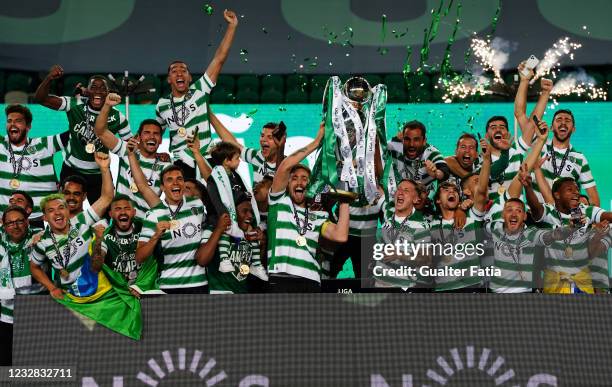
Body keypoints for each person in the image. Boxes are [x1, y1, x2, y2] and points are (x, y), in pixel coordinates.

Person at [155, 9, 238, 179]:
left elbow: (219, 58)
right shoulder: (162, 104)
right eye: (174, 71)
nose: (179, 73)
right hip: (181, 162)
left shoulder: (200, 90)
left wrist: (232, 26)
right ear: (169, 79)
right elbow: (154, 134)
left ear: (190, 77)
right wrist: (155, 155)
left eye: (183, 70)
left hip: (207, 158)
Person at [267, 123, 350, 293]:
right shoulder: (279, 203)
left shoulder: (318, 216)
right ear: (288, 183)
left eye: (304, 179)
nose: (299, 182)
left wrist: (345, 200)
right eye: (294, 178)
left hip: (311, 280)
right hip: (281, 278)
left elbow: (340, 236)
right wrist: (316, 142)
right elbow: (284, 167)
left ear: (310, 185)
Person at [34, 68, 131, 204]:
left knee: (102, 217)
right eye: (94, 87)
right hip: (71, 170)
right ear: (88, 91)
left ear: (108, 93)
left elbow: (132, 149)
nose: (98, 91)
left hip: (99, 173)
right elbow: (40, 99)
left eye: (102, 88)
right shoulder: (74, 105)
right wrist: (49, 77)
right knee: (66, 211)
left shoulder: (117, 117)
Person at [30, 152, 114, 299]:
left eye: (76, 193)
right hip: (68, 296)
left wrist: (105, 169)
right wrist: (51, 287)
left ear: (84, 196)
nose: (71, 197)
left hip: (97, 291)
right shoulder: (44, 238)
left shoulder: (85, 220)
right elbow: (34, 267)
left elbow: (107, 198)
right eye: (67, 193)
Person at [514, 65, 600, 206]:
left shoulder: (580, 158)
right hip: (537, 218)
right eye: (559, 120)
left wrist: (595, 222)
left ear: (573, 129)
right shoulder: (539, 144)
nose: (563, 123)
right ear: (552, 127)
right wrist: (526, 82)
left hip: (565, 223)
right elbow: (520, 114)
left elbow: (593, 198)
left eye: (568, 121)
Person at [526, 176, 612, 294]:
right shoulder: (548, 211)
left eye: (577, 189)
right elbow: (536, 208)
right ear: (557, 195)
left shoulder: (586, 210)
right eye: (570, 190)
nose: (576, 192)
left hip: (582, 282)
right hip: (554, 282)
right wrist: (528, 187)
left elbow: (608, 215)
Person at [94, 93, 171, 219]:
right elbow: (100, 131)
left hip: (147, 224)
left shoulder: (166, 165)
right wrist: (107, 106)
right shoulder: (127, 150)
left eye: (156, 134)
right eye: (147, 133)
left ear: (161, 140)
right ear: (139, 137)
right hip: (121, 221)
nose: (151, 136)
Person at [134, 164, 208, 294]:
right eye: (169, 180)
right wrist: (156, 236)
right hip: (168, 285)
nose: (176, 183)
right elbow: (139, 257)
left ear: (184, 183)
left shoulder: (197, 205)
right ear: (162, 187)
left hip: (199, 283)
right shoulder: (153, 215)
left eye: (179, 179)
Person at [430, 138, 490, 292]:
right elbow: (448, 161)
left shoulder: (471, 218)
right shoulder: (431, 224)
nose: (467, 151)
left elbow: (482, 192)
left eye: (471, 148)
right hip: (443, 288)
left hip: (472, 286)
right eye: (463, 147)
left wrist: (461, 209)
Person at [0, 105, 69, 221]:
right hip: (8, 222)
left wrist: (73, 105)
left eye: (18, 121)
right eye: (9, 121)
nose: (13, 124)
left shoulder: (44, 144)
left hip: (41, 220)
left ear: (28, 126)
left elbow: (73, 134)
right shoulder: (2, 144)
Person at [0, 206, 45, 365]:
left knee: (32, 369)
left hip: (35, 316)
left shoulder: (41, 238)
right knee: (5, 366)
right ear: (4, 226)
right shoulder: (1, 241)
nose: (15, 226)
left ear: (27, 222)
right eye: (10, 223)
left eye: (19, 221)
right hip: (6, 316)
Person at [372, 179, 432, 291]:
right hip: (379, 283)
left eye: (406, 190)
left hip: (402, 287)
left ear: (416, 199)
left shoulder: (420, 225)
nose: (400, 192)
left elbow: (426, 259)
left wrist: (400, 255)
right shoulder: (388, 211)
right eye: (398, 189)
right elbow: (374, 185)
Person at [202, 193, 268, 294]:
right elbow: (201, 260)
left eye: (251, 212)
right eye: (245, 211)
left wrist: (262, 244)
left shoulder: (250, 234)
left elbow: (254, 269)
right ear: (232, 212)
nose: (250, 216)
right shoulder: (212, 230)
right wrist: (219, 229)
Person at [210, 111, 286, 183]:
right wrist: (210, 115)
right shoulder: (256, 155)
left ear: (279, 141)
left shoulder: (288, 164)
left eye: (270, 137)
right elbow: (233, 143)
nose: (263, 140)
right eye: (262, 135)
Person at [387, 120, 449, 194]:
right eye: (407, 139)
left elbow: (445, 171)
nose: (411, 144)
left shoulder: (430, 153)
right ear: (402, 139)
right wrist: (395, 139)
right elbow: (377, 148)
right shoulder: (395, 147)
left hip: (424, 197)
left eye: (416, 140)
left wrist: (435, 173)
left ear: (424, 141)